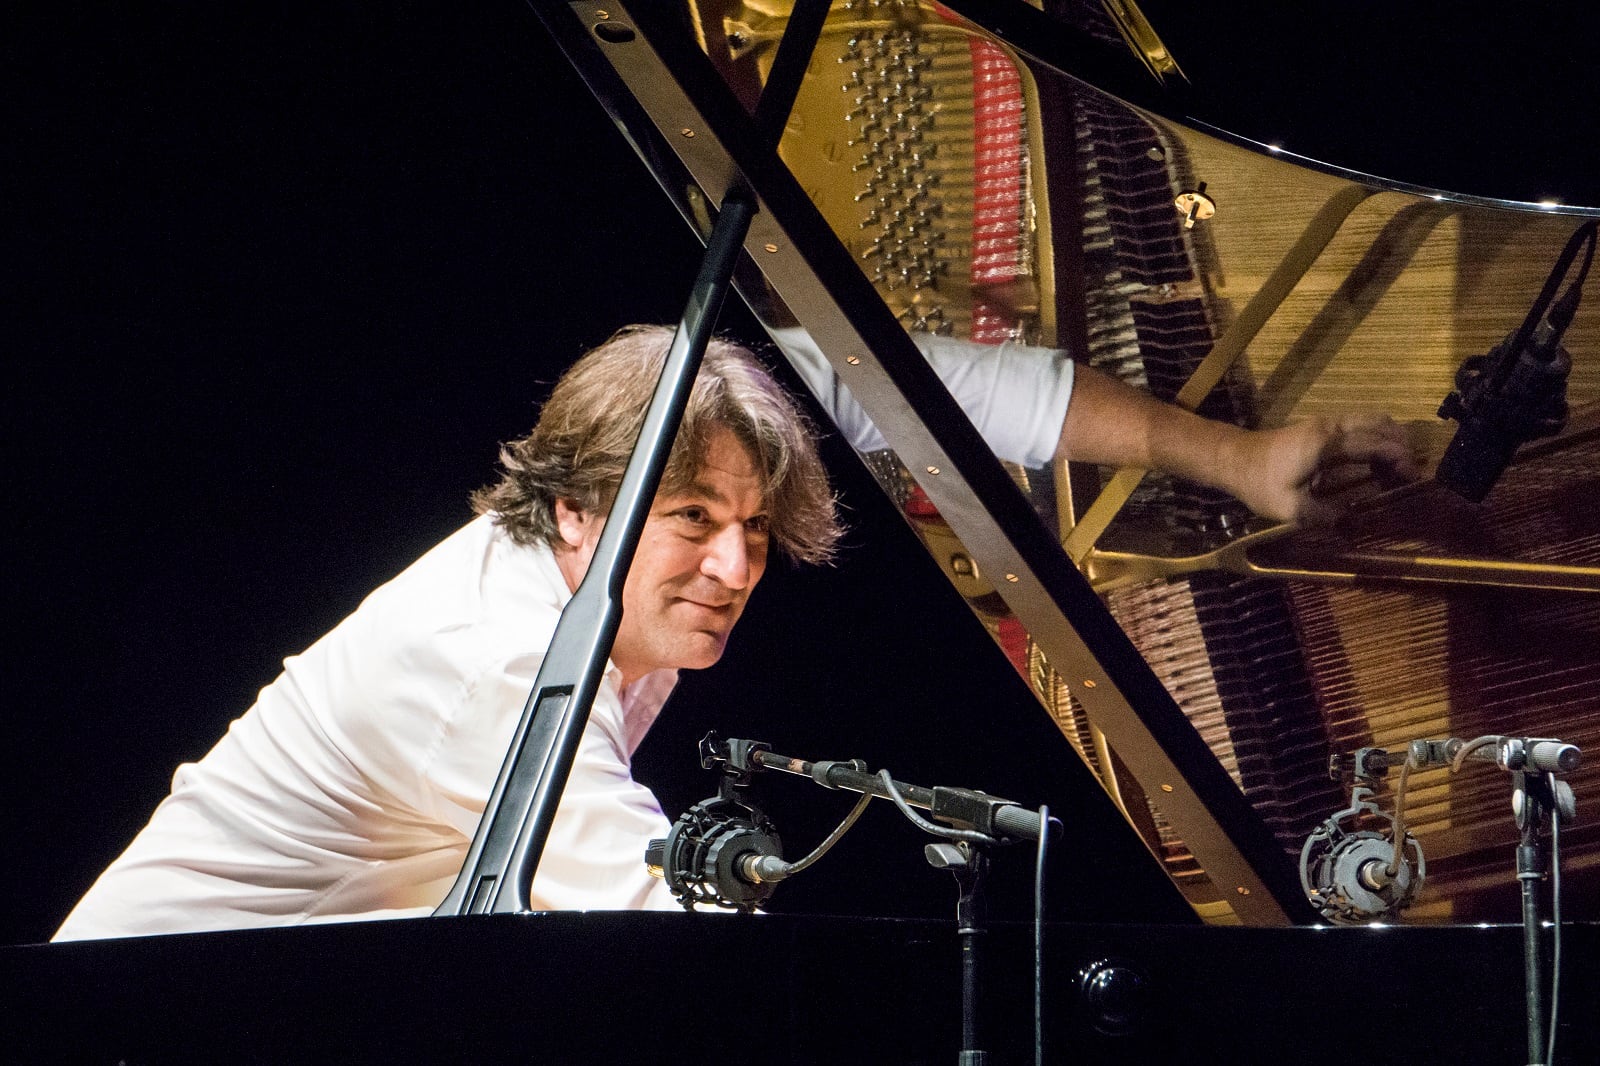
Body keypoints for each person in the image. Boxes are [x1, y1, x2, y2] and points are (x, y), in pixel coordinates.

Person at [53, 323, 1413, 941]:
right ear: (578, 509)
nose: (731, 563)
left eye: (755, 530)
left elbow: (898, 375)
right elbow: (663, 940)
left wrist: (1235, 459)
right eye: (694, 517)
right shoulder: (494, 661)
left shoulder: (625, 503)